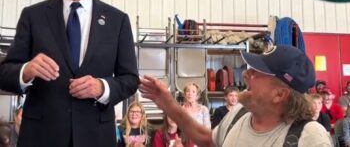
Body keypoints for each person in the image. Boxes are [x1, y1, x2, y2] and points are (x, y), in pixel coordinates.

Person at [0, 0, 139, 147]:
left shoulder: (117, 20)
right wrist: (26, 70)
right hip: (41, 137)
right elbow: (5, 73)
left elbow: (130, 80)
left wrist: (102, 87)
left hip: (95, 137)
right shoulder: (33, 16)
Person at [140, 45, 332, 147]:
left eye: (256, 72)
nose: (246, 74)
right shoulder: (240, 114)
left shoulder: (310, 137)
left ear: (279, 94)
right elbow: (208, 140)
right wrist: (168, 104)